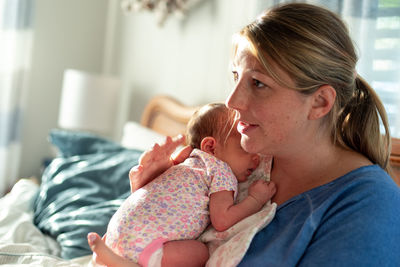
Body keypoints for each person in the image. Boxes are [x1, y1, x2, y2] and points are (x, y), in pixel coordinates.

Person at [90, 2, 400, 266]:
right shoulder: (242, 159)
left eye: (258, 83)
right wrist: (149, 195)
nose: (232, 101)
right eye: (236, 76)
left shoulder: (369, 206)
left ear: (320, 102)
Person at [88, 103, 276, 267]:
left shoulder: (183, 164)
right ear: (211, 147)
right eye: (244, 147)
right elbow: (223, 220)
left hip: (117, 233)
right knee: (201, 253)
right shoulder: (220, 170)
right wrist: (255, 199)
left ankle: (111, 259)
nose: (256, 158)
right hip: (148, 247)